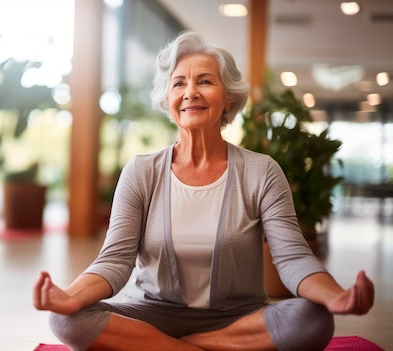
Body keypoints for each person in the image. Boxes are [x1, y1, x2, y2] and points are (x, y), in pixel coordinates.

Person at [33, 31, 374, 351]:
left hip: (238, 318)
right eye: (179, 83)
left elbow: (291, 257)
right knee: (67, 319)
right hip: (153, 315)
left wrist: (334, 297)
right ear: (168, 100)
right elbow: (115, 261)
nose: (190, 92)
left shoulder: (261, 171)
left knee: (312, 319)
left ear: (228, 100)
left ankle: (190, 344)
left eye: (205, 81)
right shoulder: (140, 172)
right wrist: (69, 298)